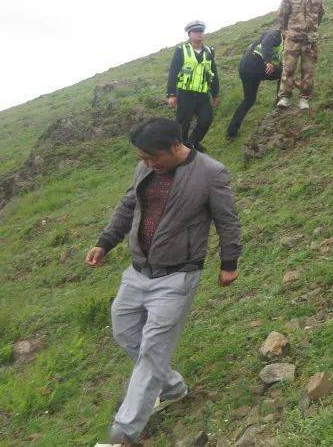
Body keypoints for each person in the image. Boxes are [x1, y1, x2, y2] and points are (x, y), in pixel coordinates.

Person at [85, 117, 241, 445]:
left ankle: (122, 434)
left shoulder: (211, 173)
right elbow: (128, 207)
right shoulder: (145, 170)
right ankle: (171, 387)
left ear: (175, 146)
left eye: (152, 156)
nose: (147, 163)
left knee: (153, 349)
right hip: (138, 271)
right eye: (142, 157)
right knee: (124, 330)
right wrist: (105, 241)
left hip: (178, 275)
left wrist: (229, 262)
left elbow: (227, 220)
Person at [165, 21, 220, 152]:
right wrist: (171, 94)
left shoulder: (209, 51)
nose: (199, 34)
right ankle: (182, 148)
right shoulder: (181, 50)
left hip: (202, 94)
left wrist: (216, 94)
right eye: (196, 31)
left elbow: (213, 73)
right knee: (183, 123)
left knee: (206, 120)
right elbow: (173, 72)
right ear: (190, 34)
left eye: (201, 31)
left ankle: (194, 142)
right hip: (185, 93)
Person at [276, 0, 325, 110]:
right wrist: (286, 32)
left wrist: (313, 29)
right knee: (288, 68)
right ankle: (284, 97)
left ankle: (305, 98)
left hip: (310, 41)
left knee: (308, 70)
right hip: (292, 39)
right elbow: (282, 16)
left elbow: (320, 14)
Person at [225, 28, 282, 139]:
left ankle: (231, 132)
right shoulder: (275, 34)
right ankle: (280, 103)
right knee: (284, 73)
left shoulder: (265, 39)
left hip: (245, 68)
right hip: (254, 65)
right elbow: (266, 44)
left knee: (249, 99)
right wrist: (268, 62)